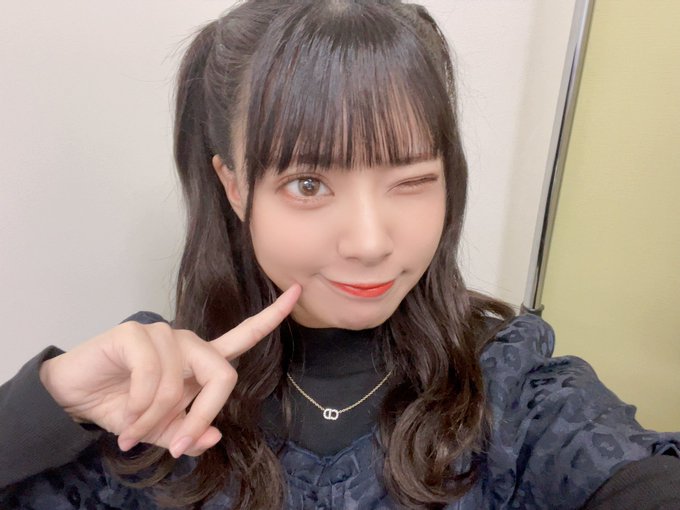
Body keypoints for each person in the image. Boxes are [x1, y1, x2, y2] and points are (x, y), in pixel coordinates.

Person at [1, 1, 678, 509]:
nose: (370, 242)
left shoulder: (513, 382)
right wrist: (45, 402)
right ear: (234, 186)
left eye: (411, 181)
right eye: (309, 184)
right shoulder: (151, 397)